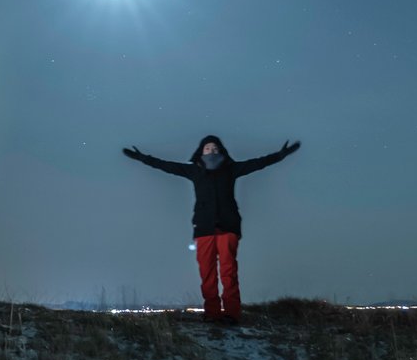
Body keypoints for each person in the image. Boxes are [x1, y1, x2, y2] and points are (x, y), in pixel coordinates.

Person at [122, 134, 301, 326]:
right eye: (208, 148)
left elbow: (258, 163)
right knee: (207, 273)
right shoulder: (194, 170)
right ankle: (212, 313)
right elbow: (165, 165)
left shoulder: (231, 169)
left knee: (228, 271)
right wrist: (142, 158)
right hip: (204, 227)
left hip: (228, 226)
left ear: (221, 151)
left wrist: (280, 155)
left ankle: (232, 314)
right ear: (201, 151)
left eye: (215, 148)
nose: (211, 151)